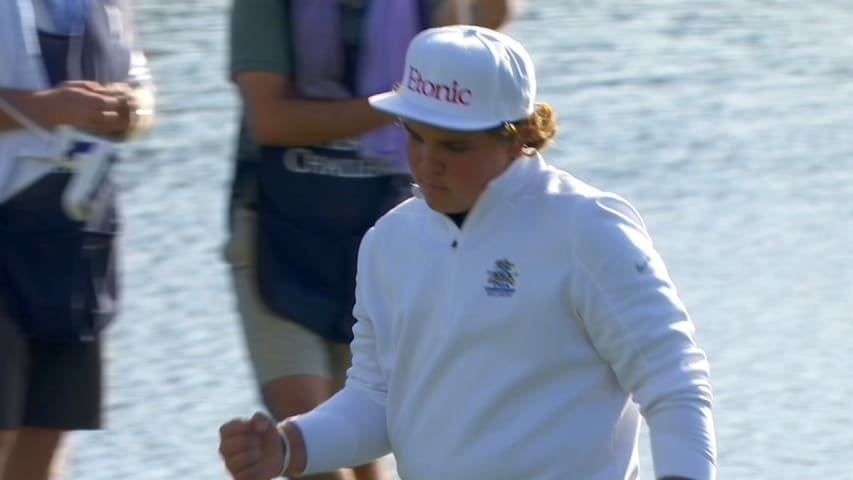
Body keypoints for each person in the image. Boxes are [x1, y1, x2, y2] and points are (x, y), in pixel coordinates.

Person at [219, 24, 717, 480]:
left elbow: (675, 384)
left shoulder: (588, 228)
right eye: (415, 138)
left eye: (455, 147)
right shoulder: (390, 241)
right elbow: (380, 400)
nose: (428, 164)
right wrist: (289, 447)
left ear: (520, 136)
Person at [225, 2, 510, 479]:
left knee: (367, 437)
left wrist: (425, 94)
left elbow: (480, 38)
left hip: (382, 230)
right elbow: (272, 120)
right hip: (279, 244)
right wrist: (406, 103)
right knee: (310, 446)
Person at [0, 0, 155, 479]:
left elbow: (143, 88)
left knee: (46, 443)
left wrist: (131, 111)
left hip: (77, 240)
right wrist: (48, 108)